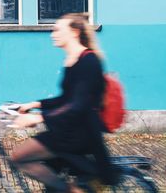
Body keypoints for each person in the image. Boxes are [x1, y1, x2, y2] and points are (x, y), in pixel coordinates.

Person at [10, 13, 116, 192]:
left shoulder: (89, 61)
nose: (53, 34)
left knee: (18, 157)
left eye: (58, 29)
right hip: (68, 129)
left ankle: (71, 191)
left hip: (77, 134)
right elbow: (66, 99)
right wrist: (34, 104)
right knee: (49, 173)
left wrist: (38, 118)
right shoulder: (72, 60)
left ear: (74, 32)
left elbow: (78, 105)